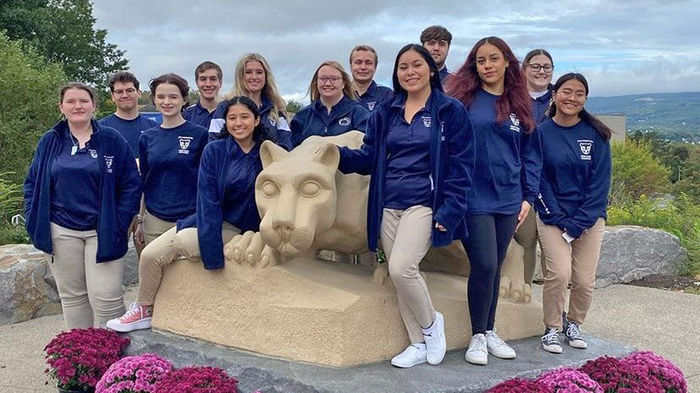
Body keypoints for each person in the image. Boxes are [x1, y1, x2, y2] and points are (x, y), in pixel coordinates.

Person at [338, 44, 474, 368]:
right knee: (398, 277)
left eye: (417, 65)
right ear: (396, 73)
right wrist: (337, 156)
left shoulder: (449, 111)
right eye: (403, 67)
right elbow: (370, 156)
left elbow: (462, 165)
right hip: (388, 204)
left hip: (424, 204)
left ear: (430, 69)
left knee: (401, 267)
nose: (410, 72)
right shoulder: (386, 111)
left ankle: (431, 325)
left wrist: (451, 210)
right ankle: (415, 343)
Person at [107, 96, 272, 332]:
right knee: (151, 255)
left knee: (184, 241)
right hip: (213, 219)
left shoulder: (268, 151)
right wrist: (212, 252)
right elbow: (208, 200)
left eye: (244, 117)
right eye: (232, 117)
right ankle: (144, 308)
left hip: (247, 228)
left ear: (256, 120)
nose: (238, 123)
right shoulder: (215, 150)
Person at [446, 36, 541, 365]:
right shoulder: (463, 101)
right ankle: (477, 335)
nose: (487, 65)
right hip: (473, 196)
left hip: (509, 198)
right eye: (481, 60)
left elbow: (529, 153)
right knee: (484, 264)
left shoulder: (519, 103)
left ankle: (489, 331)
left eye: (493, 59)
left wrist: (528, 196)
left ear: (506, 63)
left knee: (496, 266)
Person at [24, 82, 141, 329]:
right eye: (71, 101)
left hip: (104, 230)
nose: (78, 106)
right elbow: (33, 182)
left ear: (94, 105)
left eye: (84, 101)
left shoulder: (111, 139)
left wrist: (120, 222)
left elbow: (131, 184)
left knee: (106, 297)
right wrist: (33, 217)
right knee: (73, 298)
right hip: (61, 230)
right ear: (61, 107)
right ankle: (81, 360)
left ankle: (117, 362)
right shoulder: (51, 140)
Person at [535, 73, 612, 354]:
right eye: (567, 92)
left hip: (589, 218)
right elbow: (538, 179)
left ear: (585, 99)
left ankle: (574, 323)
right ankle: (552, 328)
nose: (572, 98)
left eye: (579, 94)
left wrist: (580, 221)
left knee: (583, 279)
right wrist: (557, 217)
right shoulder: (540, 133)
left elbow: (600, 183)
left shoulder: (597, 135)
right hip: (553, 217)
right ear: (554, 94)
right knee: (558, 273)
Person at [134, 73, 208, 249]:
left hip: (190, 219)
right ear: (154, 100)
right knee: (157, 273)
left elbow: (207, 181)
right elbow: (145, 180)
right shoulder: (147, 138)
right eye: (161, 97)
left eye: (173, 96)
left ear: (184, 99)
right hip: (155, 221)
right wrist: (141, 219)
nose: (166, 102)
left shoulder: (200, 135)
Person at [514, 49, 555, 285]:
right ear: (525, 69)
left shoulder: (561, 97)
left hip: (553, 181)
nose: (541, 71)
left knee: (554, 247)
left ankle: (554, 308)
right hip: (522, 181)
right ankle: (524, 291)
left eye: (546, 67)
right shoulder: (514, 99)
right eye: (535, 66)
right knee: (526, 241)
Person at [208, 53, 292, 150]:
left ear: (266, 76)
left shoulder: (276, 110)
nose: (254, 77)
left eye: (259, 72)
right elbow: (213, 147)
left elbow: (287, 148)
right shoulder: (224, 107)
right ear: (240, 76)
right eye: (248, 72)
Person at [290, 60, 369, 147]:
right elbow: (293, 151)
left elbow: (368, 148)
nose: (327, 83)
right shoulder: (302, 116)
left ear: (343, 83)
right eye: (323, 79)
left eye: (334, 79)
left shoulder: (358, 113)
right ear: (316, 83)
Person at [99, 71, 157, 161]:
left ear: (139, 93)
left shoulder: (154, 127)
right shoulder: (100, 128)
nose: (125, 95)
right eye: (119, 92)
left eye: (129, 90)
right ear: (113, 97)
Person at [349, 44, 393, 111]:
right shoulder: (341, 94)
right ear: (351, 66)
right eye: (358, 62)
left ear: (375, 67)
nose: (363, 67)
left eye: (368, 63)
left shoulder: (387, 95)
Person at [183, 61, 223, 129]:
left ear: (220, 82)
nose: (208, 84)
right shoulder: (187, 115)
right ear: (197, 83)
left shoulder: (230, 112)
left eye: (213, 79)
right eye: (203, 79)